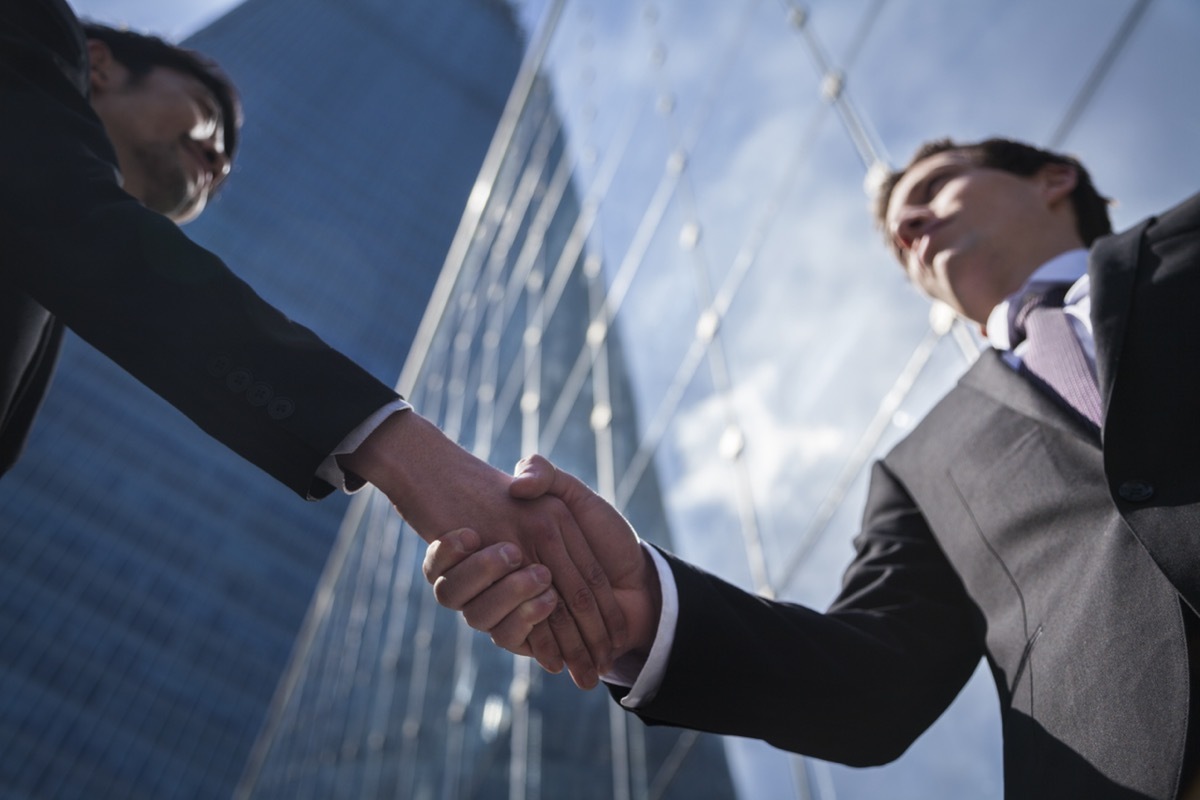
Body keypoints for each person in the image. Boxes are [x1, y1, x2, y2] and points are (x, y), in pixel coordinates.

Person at [425, 137, 1200, 799]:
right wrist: (648, 611)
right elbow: (873, 689)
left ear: (1054, 178)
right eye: (900, 237)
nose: (916, 225)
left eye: (934, 188)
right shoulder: (924, 465)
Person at [0, 0, 626, 687]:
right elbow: (82, 225)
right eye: (205, 116)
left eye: (226, 172)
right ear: (100, 64)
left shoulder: (49, 278)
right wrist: (403, 450)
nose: (216, 159)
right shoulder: (38, 33)